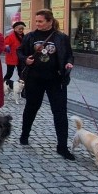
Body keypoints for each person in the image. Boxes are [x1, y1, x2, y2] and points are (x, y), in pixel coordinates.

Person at [17, 9, 75, 160]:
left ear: (49, 21)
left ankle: (62, 146)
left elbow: (69, 55)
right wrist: (25, 59)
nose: (37, 24)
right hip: (34, 79)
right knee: (31, 108)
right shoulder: (30, 36)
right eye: (36, 21)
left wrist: (68, 64)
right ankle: (24, 135)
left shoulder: (61, 37)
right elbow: (20, 52)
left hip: (55, 80)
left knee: (60, 112)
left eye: (40, 21)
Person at [3, 21, 26, 89]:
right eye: (19, 29)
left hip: (20, 58)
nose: (21, 30)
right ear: (15, 29)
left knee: (21, 74)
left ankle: (22, 88)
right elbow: (4, 46)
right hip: (11, 59)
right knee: (9, 74)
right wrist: (7, 48)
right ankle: (3, 85)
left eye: (22, 29)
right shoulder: (10, 37)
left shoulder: (23, 37)